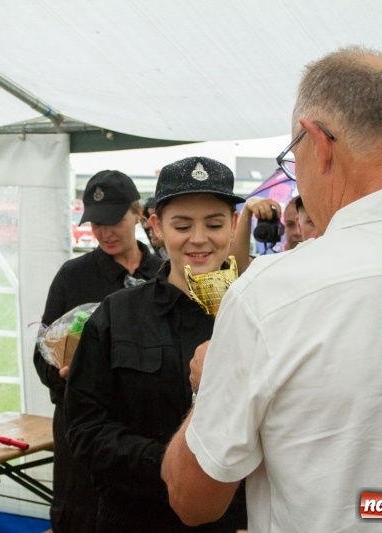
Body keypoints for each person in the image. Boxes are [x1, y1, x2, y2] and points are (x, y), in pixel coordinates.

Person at [161, 46, 382, 532]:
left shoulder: (272, 296)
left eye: (293, 155)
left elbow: (192, 500)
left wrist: (211, 387)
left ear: (318, 142)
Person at [64, 156, 248, 532]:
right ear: (157, 227)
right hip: (134, 518)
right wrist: (169, 466)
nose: (199, 239)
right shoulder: (118, 315)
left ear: (232, 226)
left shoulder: (255, 314)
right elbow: (84, 427)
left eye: (214, 224)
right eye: (182, 225)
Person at [34, 170, 164, 533]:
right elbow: (41, 355)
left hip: (143, 436)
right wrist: (70, 379)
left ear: (138, 213)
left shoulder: (163, 276)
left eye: (114, 221)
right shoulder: (72, 277)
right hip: (83, 441)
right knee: (81, 519)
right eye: (95, 223)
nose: (105, 233)